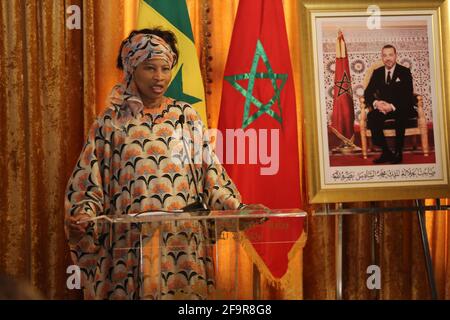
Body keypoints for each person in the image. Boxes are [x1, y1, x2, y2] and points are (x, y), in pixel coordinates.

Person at [64, 28, 262, 300]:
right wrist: (83, 217)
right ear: (132, 68)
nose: (159, 77)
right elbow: (89, 184)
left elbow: (210, 174)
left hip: (183, 248)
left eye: (165, 68)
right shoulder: (109, 123)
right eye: (150, 68)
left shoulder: (185, 117)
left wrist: (238, 209)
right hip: (130, 249)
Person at [364, 44, 417, 164]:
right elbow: (368, 92)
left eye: (390, 55)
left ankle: (398, 152)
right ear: (382, 57)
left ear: (395, 56)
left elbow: (407, 95)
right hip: (383, 108)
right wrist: (377, 103)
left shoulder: (404, 72)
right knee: (372, 117)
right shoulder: (377, 72)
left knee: (401, 116)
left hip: (401, 107)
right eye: (385, 55)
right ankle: (386, 152)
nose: (388, 58)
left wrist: (392, 107)